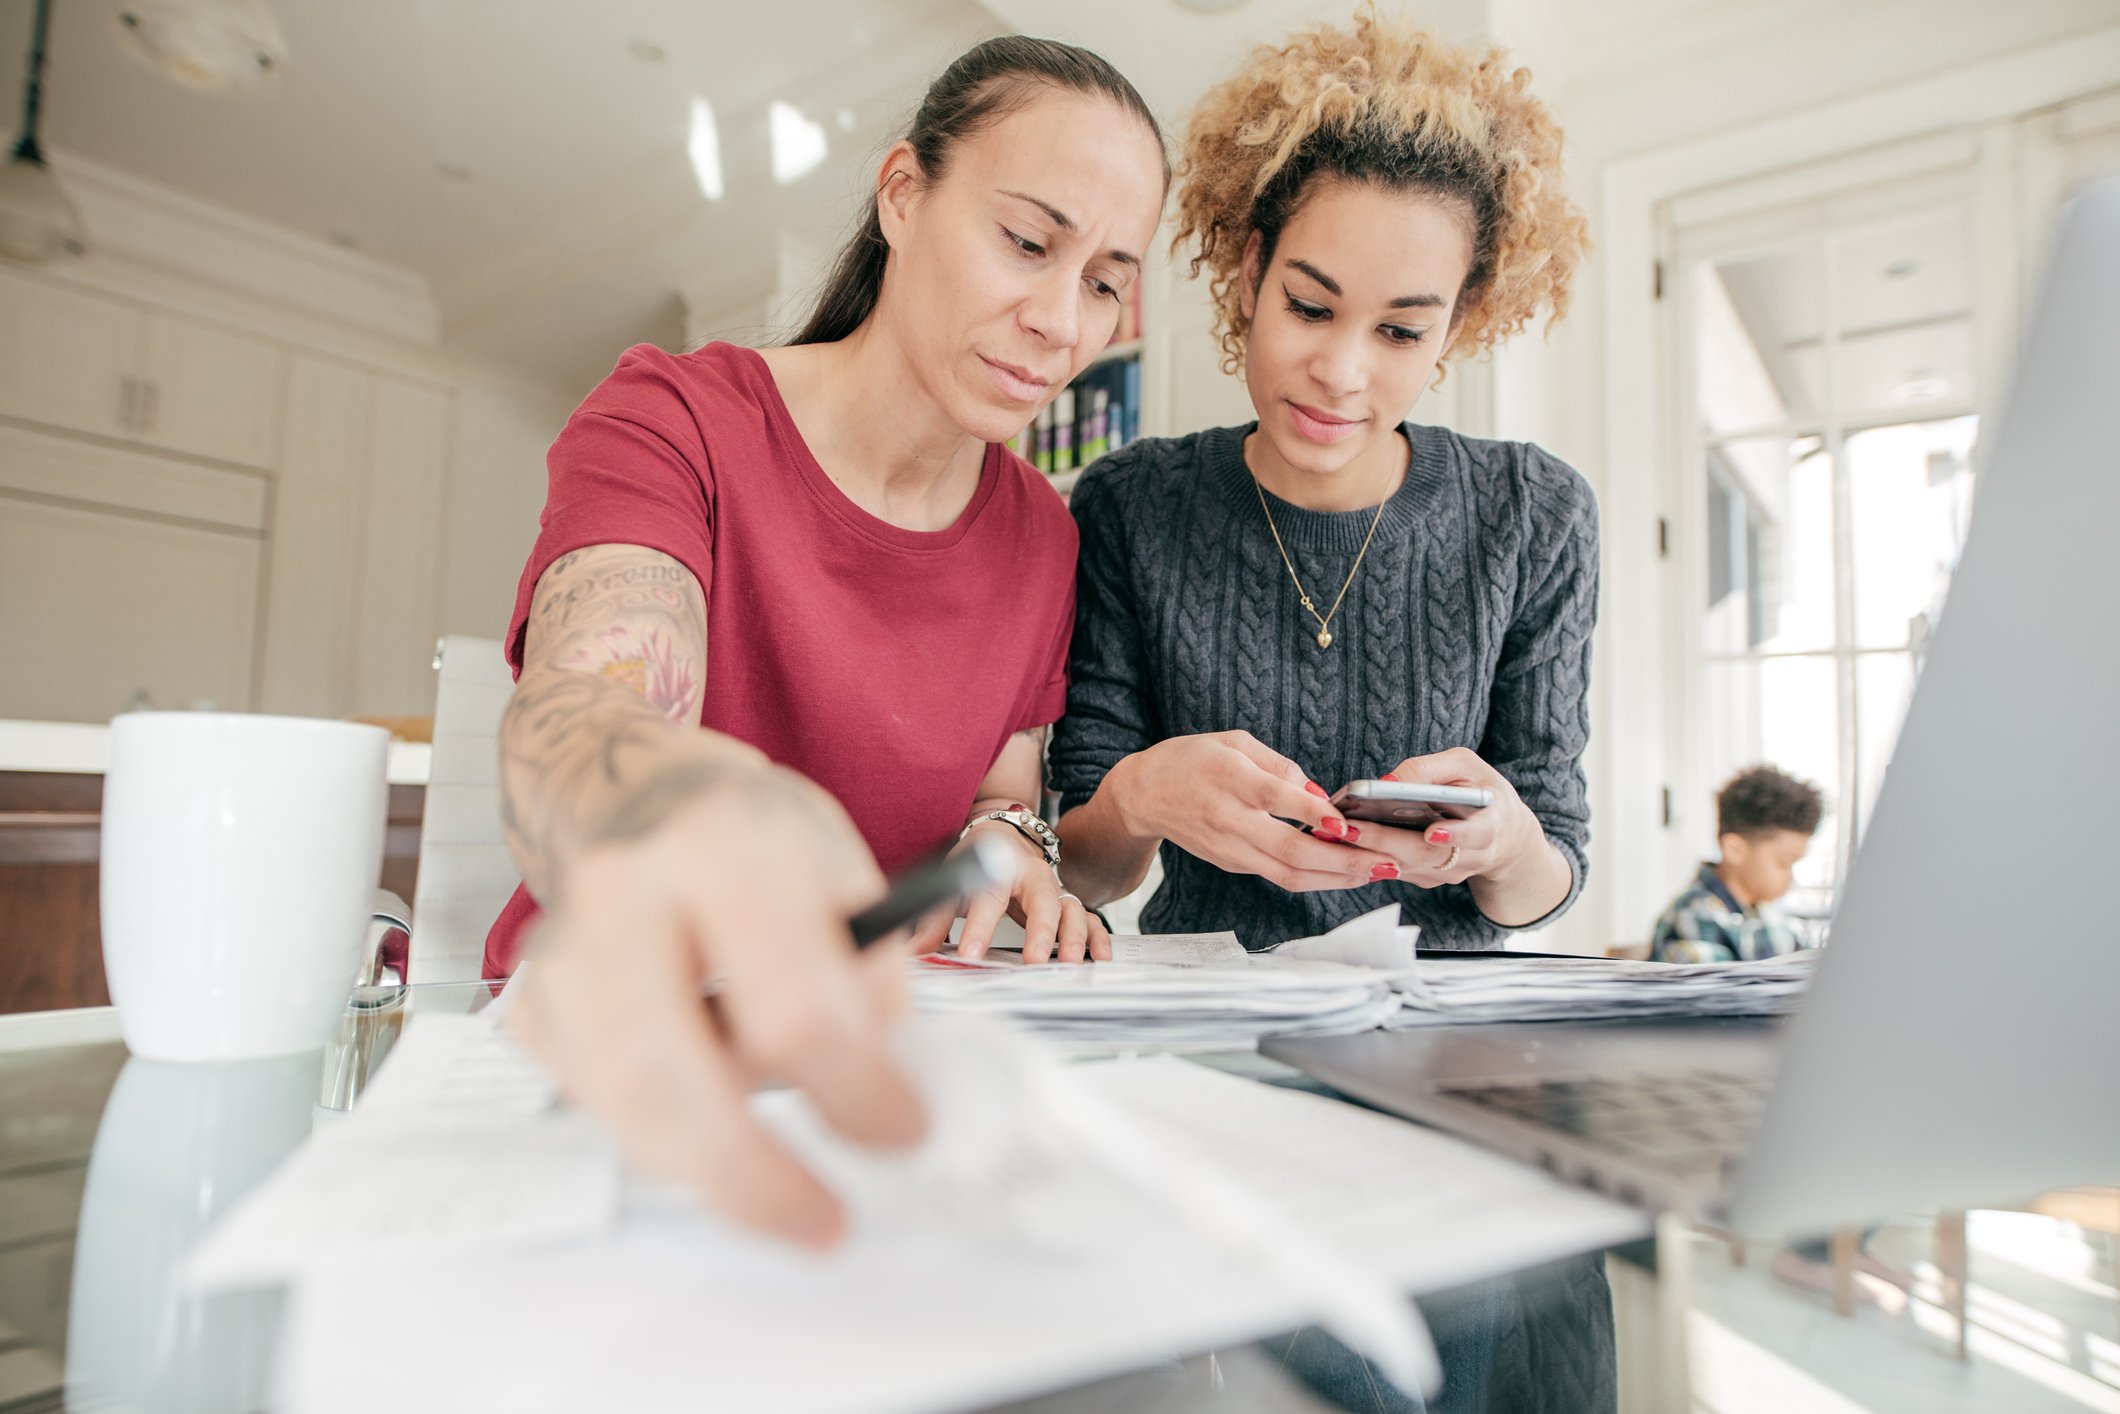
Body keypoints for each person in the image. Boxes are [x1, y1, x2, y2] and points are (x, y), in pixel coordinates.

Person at [489, 37, 1168, 1247]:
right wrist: (673, 800)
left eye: (1107, 279)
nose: (1062, 322)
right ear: (903, 194)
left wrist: (1013, 851)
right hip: (612, 1058)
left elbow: (999, 798)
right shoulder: (675, 418)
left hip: (877, 1082)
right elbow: (587, 705)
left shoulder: (1042, 538)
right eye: (1026, 241)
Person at [1046, 14, 1609, 1411]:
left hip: (1460, 1082)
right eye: (1309, 304)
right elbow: (1081, 861)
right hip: (1214, 1070)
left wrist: (1498, 838)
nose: (1340, 370)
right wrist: (1141, 798)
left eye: (1402, 329)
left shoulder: (1535, 516)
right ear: (1245, 269)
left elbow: (1552, 878)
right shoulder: (1129, 508)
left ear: (1461, 325)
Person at [1649, 765, 1822, 963]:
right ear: (1735, 850)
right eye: (1783, 863)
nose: (1790, 877)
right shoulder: (1693, 916)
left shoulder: (1767, 913)